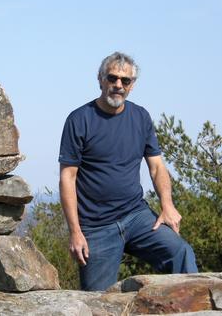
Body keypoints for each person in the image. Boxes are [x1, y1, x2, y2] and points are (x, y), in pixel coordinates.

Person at [59, 51, 198, 291]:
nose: (118, 85)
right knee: (98, 301)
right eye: (112, 78)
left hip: (136, 216)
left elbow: (156, 167)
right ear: (100, 79)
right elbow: (67, 178)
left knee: (181, 252)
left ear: (132, 85)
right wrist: (75, 232)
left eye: (126, 81)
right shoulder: (79, 119)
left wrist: (167, 205)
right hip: (96, 226)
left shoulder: (141, 117)